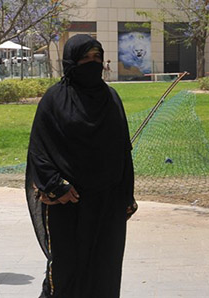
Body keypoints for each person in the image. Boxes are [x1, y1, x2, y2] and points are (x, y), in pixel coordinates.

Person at [25, 34, 137, 298]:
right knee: (66, 270)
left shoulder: (111, 99)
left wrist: (127, 195)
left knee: (105, 269)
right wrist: (55, 187)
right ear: (70, 62)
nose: (92, 63)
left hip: (107, 202)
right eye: (85, 58)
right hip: (68, 202)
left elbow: (123, 150)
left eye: (97, 57)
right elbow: (39, 151)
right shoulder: (54, 100)